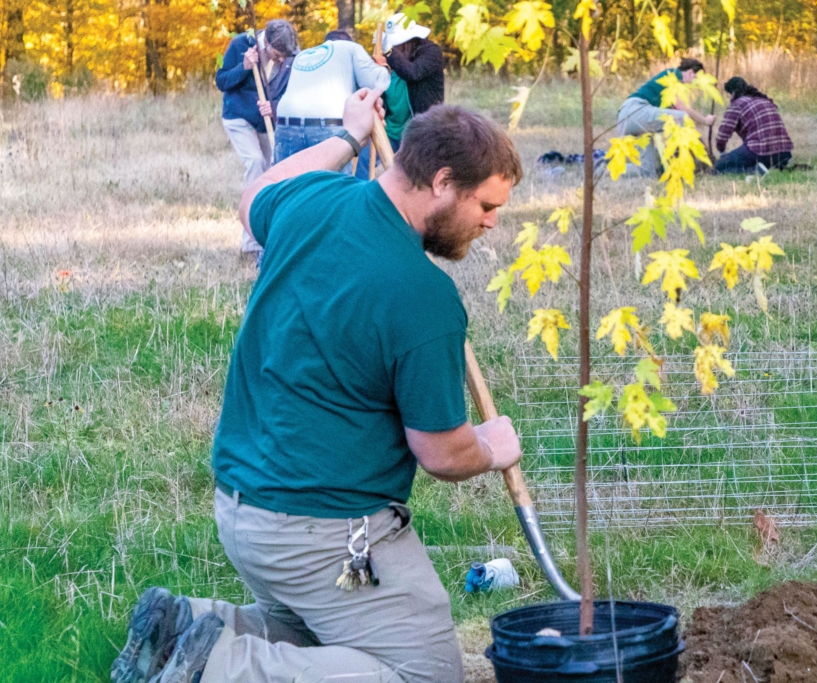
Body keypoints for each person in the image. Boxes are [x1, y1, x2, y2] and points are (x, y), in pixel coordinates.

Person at [110, 90, 525, 683]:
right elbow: (441, 452)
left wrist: (347, 137)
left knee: (323, 634)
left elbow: (253, 195)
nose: (492, 221)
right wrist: (492, 447)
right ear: (440, 182)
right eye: (486, 204)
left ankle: (176, 628)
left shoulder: (311, 201)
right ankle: (216, 666)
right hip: (321, 534)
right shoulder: (423, 297)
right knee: (423, 674)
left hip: (242, 509)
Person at [216, 20, 300, 256]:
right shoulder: (242, 44)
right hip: (238, 117)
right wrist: (243, 66)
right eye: (278, 54)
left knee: (275, 169)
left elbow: (291, 91)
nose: (282, 59)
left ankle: (272, 238)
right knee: (255, 162)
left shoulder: (292, 57)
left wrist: (273, 107)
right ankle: (250, 245)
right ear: (268, 44)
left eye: (286, 55)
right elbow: (221, 82)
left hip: (267, 123)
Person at [273, 32, 390, 164]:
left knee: (287, 181)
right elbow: (376, 83)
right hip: (327, 123)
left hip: (285, 123)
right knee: (331, 183)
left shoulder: (304, 54)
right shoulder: (351, 48)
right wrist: (380, 67)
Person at [617, 58, 715, 177]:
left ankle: (602, 169)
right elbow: (682, 111)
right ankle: (682, 164)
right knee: (682, 118)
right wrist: (705, 120)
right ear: (691, 73)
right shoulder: (674, 75)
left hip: (631, 121)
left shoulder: (670, 86)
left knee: (647, 171)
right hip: (635, 111)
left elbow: (672, 118)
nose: (695, 85)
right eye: (696, 79)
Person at [713, 77, 793, 175]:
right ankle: (771, 167)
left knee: (718, 168)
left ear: (732, 93)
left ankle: (755, 171)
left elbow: (722, 136)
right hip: (783, 154)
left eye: (728, 95)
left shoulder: (736, 105)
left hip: (759, 151)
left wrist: (722, 153)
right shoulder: (763, 100)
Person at [380, 13, 445, 115]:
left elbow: (413, 73)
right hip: (392, 128)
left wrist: (389, 52)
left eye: (397, 45)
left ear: (409, 41)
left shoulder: (431, 52)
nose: (395, 49)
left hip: (426, 124)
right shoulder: (391, 58)